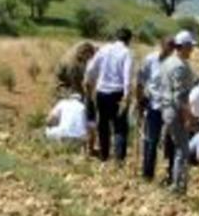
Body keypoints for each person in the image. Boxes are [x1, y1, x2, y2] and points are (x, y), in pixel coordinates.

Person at [84, 28, 133, 163]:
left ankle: (104, 156)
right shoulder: (126, 52)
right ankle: (118, 160)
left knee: (103, 124)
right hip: (118, 93)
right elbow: (127, 77)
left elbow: (90, 68)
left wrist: (89, 83)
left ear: (116, 37)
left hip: (102, 93)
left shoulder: (104, 49)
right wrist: (127, 96)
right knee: (120, 127)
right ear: (129, 40)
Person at [159, 30, 197, 194]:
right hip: (175, 111)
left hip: (167, 109)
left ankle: (175, 182)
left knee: (178, 148)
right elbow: (180, 97)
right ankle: (178, 186)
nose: (192, 50)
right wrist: (187, 116)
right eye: (191, 46)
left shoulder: (169, 61)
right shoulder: (179, 67)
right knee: (183, 149)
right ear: (184, 46)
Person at [136, 37, 176, 180]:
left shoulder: (175, 64)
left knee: (170, 141)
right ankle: (147, 173)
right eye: (168, 45)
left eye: (172, 46)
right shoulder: (150, 60)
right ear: (161, 44)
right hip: (154, 105)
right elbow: (140, 80)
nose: (170, 48)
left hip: (170, 106)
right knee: (151, 140)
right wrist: (140, 100)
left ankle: (171, 174)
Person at [55, 42, 97, 156]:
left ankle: (74, 146)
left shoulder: (73, 58)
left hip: (68, 92)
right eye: (90, 55)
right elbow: (77, 85)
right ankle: (82, 148)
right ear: (84, 53)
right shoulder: (75, 64)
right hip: (70, 93)